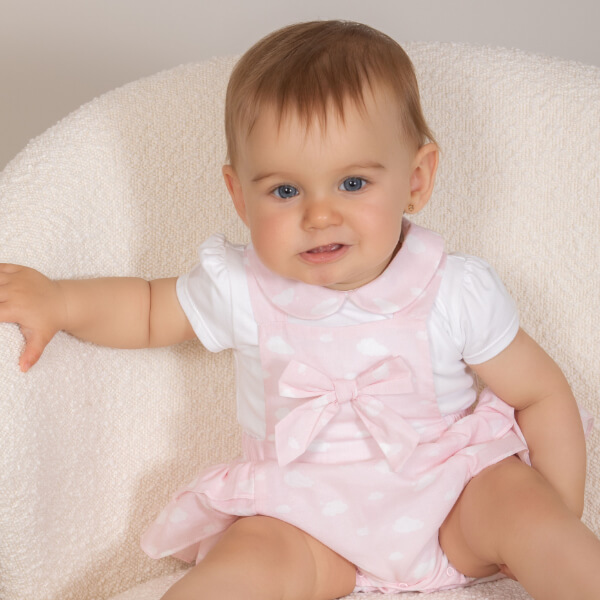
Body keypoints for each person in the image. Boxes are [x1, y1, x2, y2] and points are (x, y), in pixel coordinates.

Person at [0, 20, 598, 600]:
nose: (318, 215)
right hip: (309, 523)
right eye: (285, 191)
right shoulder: (244, 286)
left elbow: (539, 393)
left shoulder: (452, 289)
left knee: (518, 502)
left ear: (416, 179)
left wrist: (554, 514)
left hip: (453, 503)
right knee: (249, 558)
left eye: (354, 183)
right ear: (240, 195)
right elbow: (151, 310)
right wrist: (61, 300)